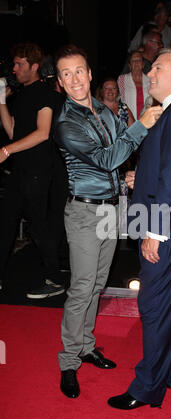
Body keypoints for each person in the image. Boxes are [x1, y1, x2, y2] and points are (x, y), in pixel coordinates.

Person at [53, 45, 162, 399]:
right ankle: (68, 360)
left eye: (78, 71)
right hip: (85, 213)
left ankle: (86, 345)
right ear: (59, 82)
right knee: (82, 287)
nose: (74, 79)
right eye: (65, 74)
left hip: (111, 209)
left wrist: (128, 177)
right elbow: (104, 158)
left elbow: (120, 155)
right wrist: (142, 125)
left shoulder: (102, 109)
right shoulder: (67, 122)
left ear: (89, 75)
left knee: (97, 284)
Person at [108, 48, 171, 410]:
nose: (149, 73)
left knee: (153, 305)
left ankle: (146, 386)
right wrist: (142, 176)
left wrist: (156, 231)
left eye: (157, 67)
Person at [0, 42, 64, 298]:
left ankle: (55, 278)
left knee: (38, 226)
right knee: (6, 222)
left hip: (39, 169)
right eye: (14, 64)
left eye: (20, 64)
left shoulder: (46, 94)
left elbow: (43, 132)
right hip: (20, 169)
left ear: (34, 66)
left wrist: (6, 151)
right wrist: (1, 103)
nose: (15, 69)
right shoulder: (23, 94)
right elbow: (13, 131)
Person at [118, 50, 150, 120]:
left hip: (146, 119)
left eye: (139, 60)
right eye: (133, 60)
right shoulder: (122, 79)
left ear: (143, 64)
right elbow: (120, 100)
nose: (136, 62)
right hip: (128, 120)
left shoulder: (150, 80)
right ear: (129, 65)